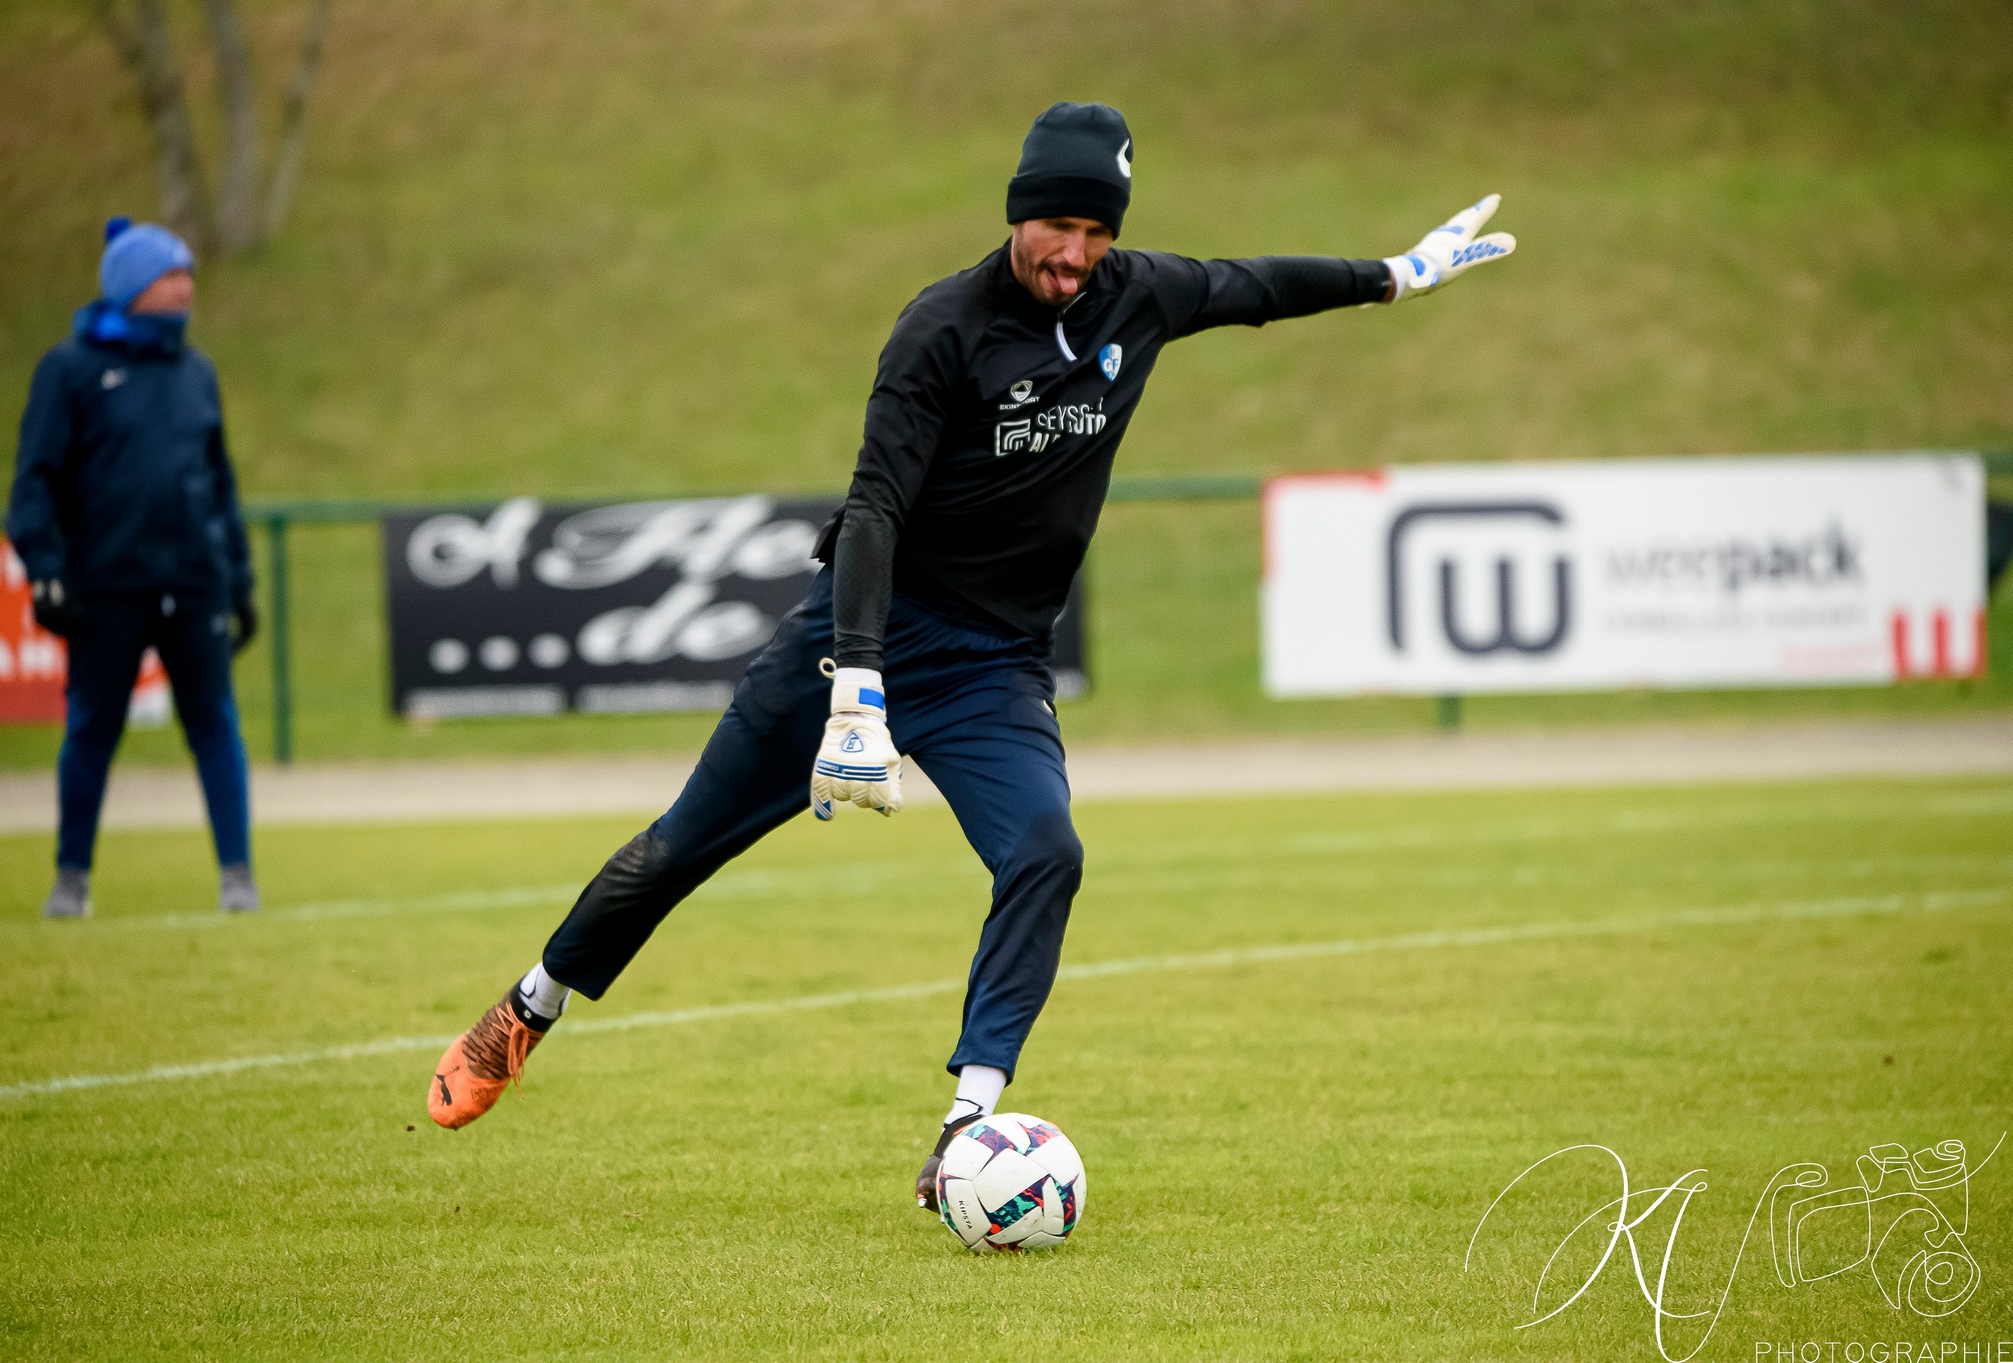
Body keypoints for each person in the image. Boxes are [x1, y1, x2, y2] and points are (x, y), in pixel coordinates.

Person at [426, 103, 1514, 1210]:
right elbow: (872, 510)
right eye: (1056, 226)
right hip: (863, 637)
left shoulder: (1138, 295)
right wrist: (856, 681)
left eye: (1096, 232)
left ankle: (967, 1126)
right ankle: (528, 1006)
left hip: (994, 664)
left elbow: (1258, 288)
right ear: (1014, 212)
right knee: (677, 849)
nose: (1074, 254)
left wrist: (1397, 274)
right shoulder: (939, 329)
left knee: (1046, 849)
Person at [8, 217, 261, 919]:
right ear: (130, 286)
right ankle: (71, 878)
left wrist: (239, 582)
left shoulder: (197, 372)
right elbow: (35, 482)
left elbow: (221, 484)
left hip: (195, 583)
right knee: (91, 727)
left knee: (214, 724)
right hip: (106, 587)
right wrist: (44, 566)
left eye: (188, 276)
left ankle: (238, 877)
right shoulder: (69, 370)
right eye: (170, 275)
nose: (185, 287)